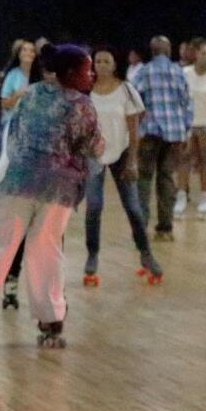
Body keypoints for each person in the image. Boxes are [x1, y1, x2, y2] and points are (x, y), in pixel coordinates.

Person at [0, 45, 103, 348]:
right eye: (87, 69)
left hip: (18, 182)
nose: (92, 74)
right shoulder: (83, 105)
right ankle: (51, 320)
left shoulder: (31, 93)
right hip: (58, 189)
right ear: (71, 72)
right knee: (46, 251)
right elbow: (94, 148)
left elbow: (14, 135)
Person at [84, 46, 163, 285]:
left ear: (114, 64)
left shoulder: (126, 90)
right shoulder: (86, 92)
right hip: (94, 155)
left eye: (106, 61)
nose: (101, 65)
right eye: (97, 61)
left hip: (122, 154)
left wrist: (133, 160)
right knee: (94, 206)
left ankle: (146, 253)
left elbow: (134, 127)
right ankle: (92, 254)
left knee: (133, 207)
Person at [132, 36, 192, 240]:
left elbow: (132, 99)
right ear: (168, 50)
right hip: (174, 133)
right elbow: (187, 103)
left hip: (150, 131)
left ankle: (141, 227)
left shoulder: (144, 71)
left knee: (144, 179)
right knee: (166, 178)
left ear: (152, 51)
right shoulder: (178, 72)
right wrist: (185, 129)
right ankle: (165, 228)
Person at [0, 40, 36, 216]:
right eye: (25, 50)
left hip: (32, 126)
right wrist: (18, 94)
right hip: (13, 124)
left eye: (31, 50)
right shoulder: (13, 75)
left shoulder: (38, 77)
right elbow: (5, 104)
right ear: (19, 54)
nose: (28, 53)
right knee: (5, 160)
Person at [175, 38, 206, 220]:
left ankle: (205, 197)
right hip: (187, 125)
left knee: (205, 161)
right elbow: (179, 101)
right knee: (184, 160)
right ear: (196, 54)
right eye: (204, 53)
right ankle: (181, 196)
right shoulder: (184, 73)